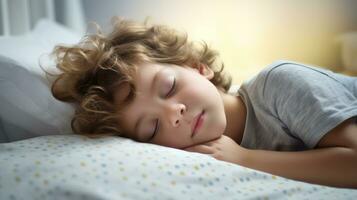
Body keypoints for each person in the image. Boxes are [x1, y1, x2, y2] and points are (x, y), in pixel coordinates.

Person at [49, 17, 357, 189]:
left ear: (197, 66)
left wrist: (246, 159)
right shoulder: (203, 161)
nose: (174, 113)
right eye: (153, 127)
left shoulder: (280, 84)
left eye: (169, 87)